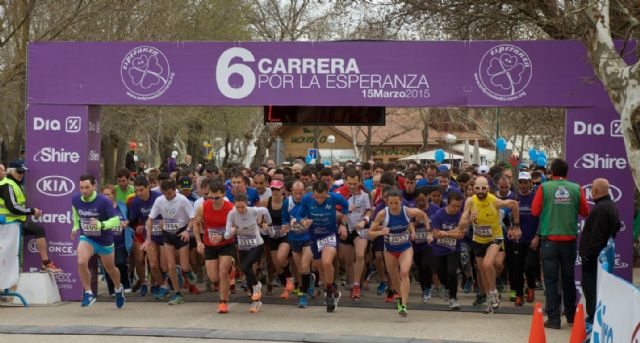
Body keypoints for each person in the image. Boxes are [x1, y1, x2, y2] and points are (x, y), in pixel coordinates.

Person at [532, 159, 589, 329]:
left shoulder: (544, 187)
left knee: (550, 280)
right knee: (568, 278)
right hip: (569, 240)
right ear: (567, 173)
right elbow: (585, 211)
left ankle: (554, 319)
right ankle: (571, 316)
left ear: (551, 172)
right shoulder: (576, 188)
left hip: (549, 240)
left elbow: (535, 211)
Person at [456, 176, 520, 314]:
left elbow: (514, 204)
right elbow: (460, 225)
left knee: (487, 264)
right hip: (478, 240)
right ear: (473, 189)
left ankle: (494, 293)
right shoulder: (470, 201)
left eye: (483, 188)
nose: (480, 191)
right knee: (482, 272)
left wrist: (516, 226)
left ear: (488, 189)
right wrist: (469, 220)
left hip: (494, 238)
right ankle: (490, 298)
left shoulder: (494, 201)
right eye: (477, 188)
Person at [369, 187, 429, 317]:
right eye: (391, 203)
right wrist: (380, 232)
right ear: (387, 202)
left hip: (405, 248)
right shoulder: (382, 214)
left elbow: (422, 214)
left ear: (400, 201)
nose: (394, 206)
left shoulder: (407, 211)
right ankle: (401, 299)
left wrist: (428, 230)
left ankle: (404, 305)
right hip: (389, 250)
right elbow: (370, 234)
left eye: (396, 203)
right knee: (395, 278)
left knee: (405, 272)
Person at [70, 174, 125, 308]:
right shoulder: (76, 199)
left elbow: (116, 220)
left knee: (111, 269)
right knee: (81, 261)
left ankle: (118, 288)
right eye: (81, 187)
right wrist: (76, 227)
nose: (84, 190)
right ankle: (88, 293)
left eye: (87, 187)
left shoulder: (103, 201)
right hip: (87, 238)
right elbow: (76, 214)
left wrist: (101, 225)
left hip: (104, 241)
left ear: (94, 186)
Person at [296, 181, 349, 312]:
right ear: (312, 194)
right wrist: (303, 221)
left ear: (327, 193)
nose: (320, 200)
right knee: (319, 266)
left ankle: (330, 292)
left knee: (326, 262)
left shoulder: (334, 197)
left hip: (330, 234)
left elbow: (346, 205)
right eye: (317, 197)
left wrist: (342, 224)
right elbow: (298, 215)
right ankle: (332, 290)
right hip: (314, 236)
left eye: (323, 197)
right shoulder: (307, 198)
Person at [0, 162, 61, 273]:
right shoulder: (8, 184)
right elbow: (13, 207)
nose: (21, 174)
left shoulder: (14, 183)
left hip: (14, 223)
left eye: (23, 172)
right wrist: (32, 211)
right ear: (10, 171)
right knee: (38, 230)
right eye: (19, 171)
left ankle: (45, 263)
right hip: (9, 225)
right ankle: (46, 263)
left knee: (38, 230)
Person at [144, 179, 196, 305]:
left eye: (169, 193)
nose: (167, 196)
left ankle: (188, 272)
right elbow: (150, 220)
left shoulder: (182, 200)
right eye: (164, 193)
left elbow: (193, 218)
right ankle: (177, 294)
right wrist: (149, 240)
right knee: (170, 266)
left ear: (174, 190)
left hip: (181, 233)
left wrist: (187, 231)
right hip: (167, 234)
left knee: (183, 266)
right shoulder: (159, 200)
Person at [579, 178, 620, 327]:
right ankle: (593, 317)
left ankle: (593, 319)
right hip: (596, 257)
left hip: (593, 259)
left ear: (596, 191)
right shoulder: (610, 206)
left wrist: (589, 256)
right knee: (592, 289)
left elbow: (597, 236)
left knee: (590, 290)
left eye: (592, 189)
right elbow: (616, 227)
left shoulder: (601, 209)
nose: (590, 192)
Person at [225, 193, 272, 313]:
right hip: (243, 247)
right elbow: (226, 235)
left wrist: (269, 225)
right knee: (246, 271)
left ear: (246, 204)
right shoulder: (232, 214)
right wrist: (231, 231)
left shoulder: (253, 211)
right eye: (238, 207)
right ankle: (256, 301)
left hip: (257, 244)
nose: (240, 210)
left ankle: (257, 286)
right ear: (234, 205)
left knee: (245, 266)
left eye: (242, 207)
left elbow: (265, 210)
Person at [193, 180, 235, 314]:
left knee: (223, 272)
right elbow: (196, 224)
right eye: (211, 197)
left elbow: (236, 227)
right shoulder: (203, 207)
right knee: (213, 277)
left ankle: (223, 302)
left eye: (217, 197)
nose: (214, 200)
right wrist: (199, 242)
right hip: (210, 244)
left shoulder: (230, 208)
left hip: (226, 244)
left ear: (223, 195)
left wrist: (223, 236)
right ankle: (231, 267)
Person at [506, 172, 540, 306]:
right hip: (517, 240)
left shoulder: (536, 197)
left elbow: (541, 217)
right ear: (517, 183)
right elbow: (506, 217)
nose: (523, 185)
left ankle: (531, 287)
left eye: (526, 182)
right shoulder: (514, 198)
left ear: (530, 182)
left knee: (530, 266)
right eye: (521, 182)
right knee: (517, 268)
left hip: (532, 238)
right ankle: (519, 294)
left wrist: (537, 236)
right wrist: (510, 228)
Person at [128, 176, 163, 297]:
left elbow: (166, 215)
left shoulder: (158, 198)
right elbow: (132, 219)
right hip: (142, 233)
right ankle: (143, 283)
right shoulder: (135, 201)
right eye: (136, 191)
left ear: (148, 187)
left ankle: (154, 284)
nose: (138, 193)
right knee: (139, 259)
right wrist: (136, 225)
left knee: (154, 261)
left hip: (157, 233)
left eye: (141, 190)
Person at [283, 180, 315, 308]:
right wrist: (286, 224)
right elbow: (284, 218)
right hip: (294, 239)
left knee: (305, 264)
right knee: (301, 270)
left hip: (307, 238)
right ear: (291, 192)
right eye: (295, 193)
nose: (298, 196)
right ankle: (309, 281)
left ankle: (303, 297)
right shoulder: (287, 202)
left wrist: (308, 222)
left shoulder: (309, 202)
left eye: (300, 193)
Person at [342, 168, 372, 301]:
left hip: (359, 229)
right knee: (348, 261)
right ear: (345, 181)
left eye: (355, 183)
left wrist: (364, 221)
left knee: (360, 255)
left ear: (360, 181)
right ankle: (351, 283)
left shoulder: (365, 195)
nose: (352, 186)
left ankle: (356, 286)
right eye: (350, 183)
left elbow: (369, 211)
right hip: (344, 229)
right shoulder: (339, 194)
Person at [431, 191, 464, 310]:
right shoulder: (438, 215)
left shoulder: (461, 216)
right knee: (441, 273)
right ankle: (447, 287)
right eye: (453, 206)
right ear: (447, 204)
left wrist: (445, 233)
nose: (456, 208)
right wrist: (452, 233)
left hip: (453, 249)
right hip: (438, 249)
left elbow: (460, 235)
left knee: (452, 272)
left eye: (459, 206)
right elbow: (436, 234)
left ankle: (453, 298)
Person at [264, 180, 293, 299]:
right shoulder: (266, 202)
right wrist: (264, 225)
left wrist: (288, 226)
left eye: (277, 189)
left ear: (283, 190)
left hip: (284, 236)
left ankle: (290, 279)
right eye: (273, 189)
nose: (275, 192)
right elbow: (260, 219)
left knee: (281, 257)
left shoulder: (287, 203)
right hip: (272, 237)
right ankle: (286, 286)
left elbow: (294, 218)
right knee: (277, 266)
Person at [101, 184, 132, 295]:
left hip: (121, 241)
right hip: (106, 242)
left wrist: (126, 223)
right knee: (108, 265)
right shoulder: (100, 208)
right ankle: (112, 288)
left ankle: (125, 283)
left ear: (114, 195)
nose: (105, 197)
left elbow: (130, 219)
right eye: (103, 195)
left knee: (120, 262)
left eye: (108, 194)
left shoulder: (122, 206)